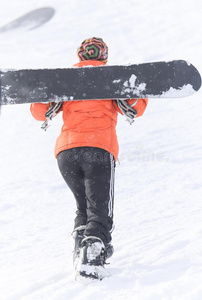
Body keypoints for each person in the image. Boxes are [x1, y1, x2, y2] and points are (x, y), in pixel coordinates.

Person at [30, 37, 148, 281]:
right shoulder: (111, 78)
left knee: (84, 206)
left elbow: (39, 111)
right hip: (98, 149)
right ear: (103, 56)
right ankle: (92, 258)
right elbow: (136, 108)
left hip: (66, 152)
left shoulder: (65, 80)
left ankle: (80, 252)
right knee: (100, 211)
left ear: (80, 56)